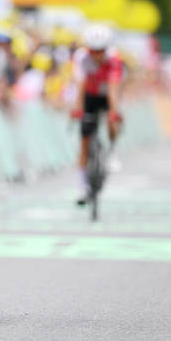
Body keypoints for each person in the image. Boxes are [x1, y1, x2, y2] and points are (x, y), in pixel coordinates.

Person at [70, 24, 123, 205]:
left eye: (101, 50)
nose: (97, 55)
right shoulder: (82, 58)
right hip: (90, 95)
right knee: (84, 141)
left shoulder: (114, 59)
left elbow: (113, 89)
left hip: (107, 94)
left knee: (112, 120)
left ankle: (112, 150)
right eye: (94, 50)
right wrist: (77, 108)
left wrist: (113, 112)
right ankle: (82, 187)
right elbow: (80, 84)